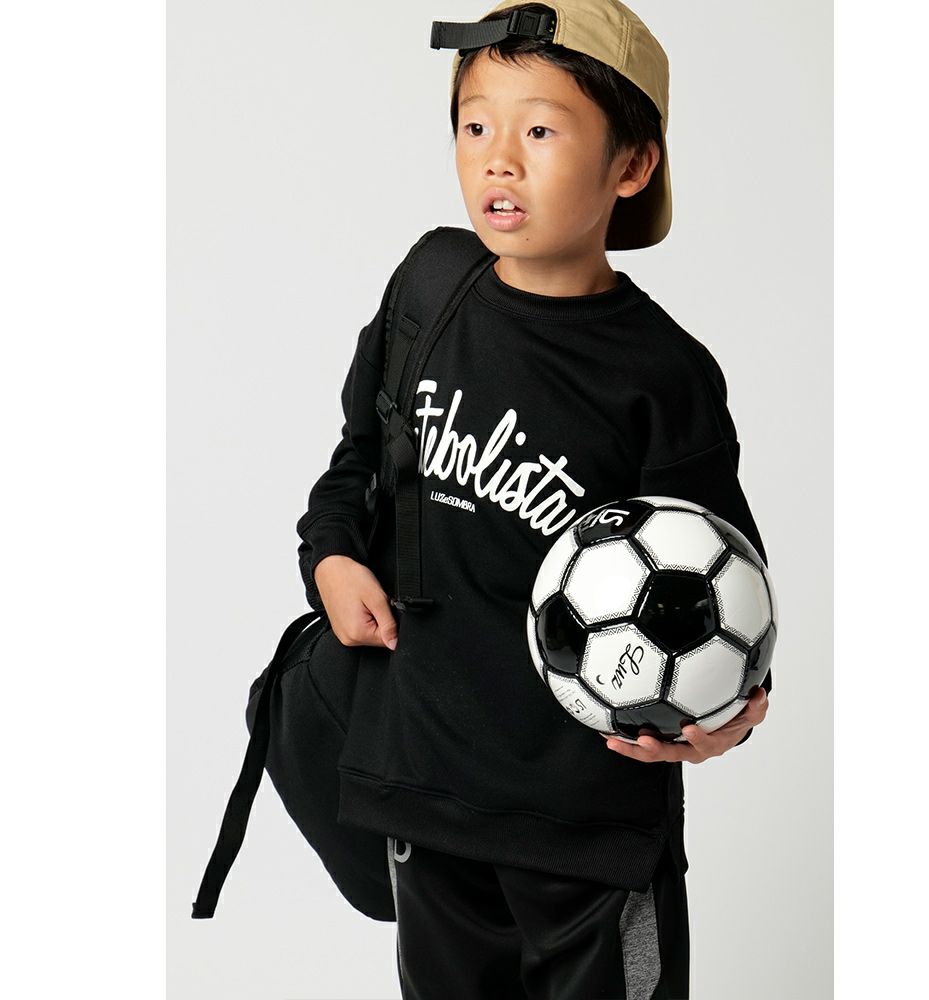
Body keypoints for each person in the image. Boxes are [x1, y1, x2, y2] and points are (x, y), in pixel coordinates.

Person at [295, 2, 772, 997]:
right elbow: (355, 461)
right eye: (475, 125)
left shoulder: (661, 376)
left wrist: (732, 710)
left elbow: (727, 589)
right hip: (428, 800)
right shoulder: (429, 287)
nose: (499, 160)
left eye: (542, 130)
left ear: (630, 164)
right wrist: (331, 558)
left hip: (589, 833)